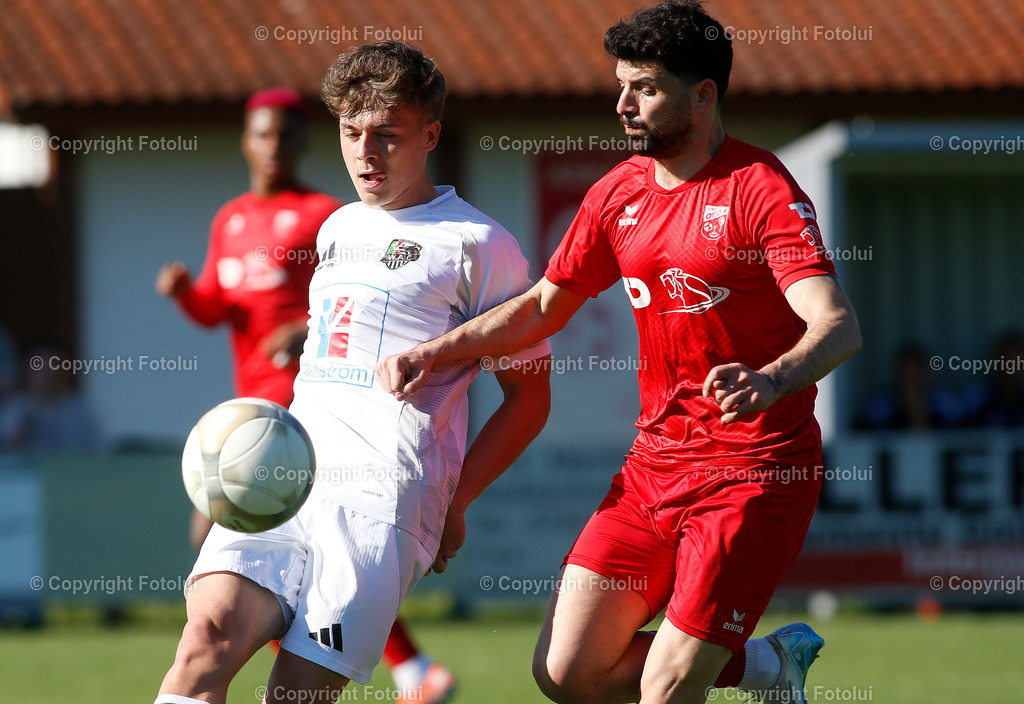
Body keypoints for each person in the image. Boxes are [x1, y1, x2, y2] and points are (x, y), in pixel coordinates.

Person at [377, 3, 862, 704]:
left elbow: (838, 325)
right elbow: (545, 305)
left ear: (703, 95)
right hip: (650, 473)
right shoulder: (618, 193)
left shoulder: (760, 188)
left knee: (665, 691)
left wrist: (772, 377)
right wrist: (440, 350)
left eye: (646, 88)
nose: (623, 104)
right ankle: (769, 666)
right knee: (565, 672)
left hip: (753, 474)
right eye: (621, 85)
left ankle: (736, 666)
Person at [154, 42, 551, 704]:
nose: (366, 152)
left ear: (429, 135)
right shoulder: (336, 229)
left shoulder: (481, 245)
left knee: (296, 696)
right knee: (203, 643)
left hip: (382, 505)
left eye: (387, 136)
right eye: (350, 132)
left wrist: (459, 500)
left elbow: (528, 401)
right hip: (284, 481)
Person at [856, 343, 963, 430]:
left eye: (916, 373)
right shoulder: (879, 405)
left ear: (927, 373)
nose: (911, 379)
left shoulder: (947, 403)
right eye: (905, 374)